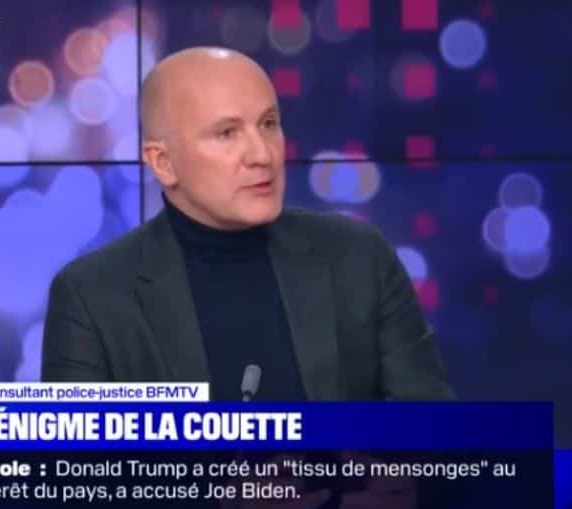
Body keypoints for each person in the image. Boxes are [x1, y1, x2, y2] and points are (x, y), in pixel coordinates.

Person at [41, 46, 455, 402]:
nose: (262, 154)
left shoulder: (359, 256)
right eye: (227, 133)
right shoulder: (91, 296)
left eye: (268, 124)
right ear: (163, 163)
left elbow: (436, 435)